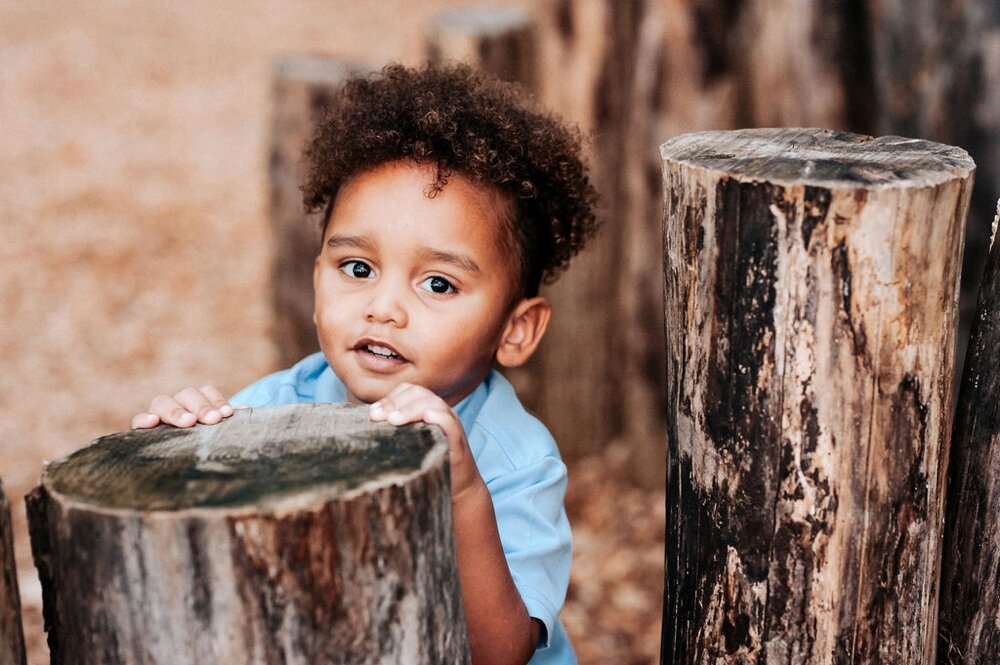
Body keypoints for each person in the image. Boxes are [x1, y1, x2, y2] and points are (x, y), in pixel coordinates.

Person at [131, 63, 599, 665]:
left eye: (437, 283)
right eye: (357, 269)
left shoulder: (514, 461)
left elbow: (497, 654)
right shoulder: (270, 410)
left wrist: (459, 491)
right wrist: (175, 453)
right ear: (317, 274)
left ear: (515, 330)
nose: (384, 309)